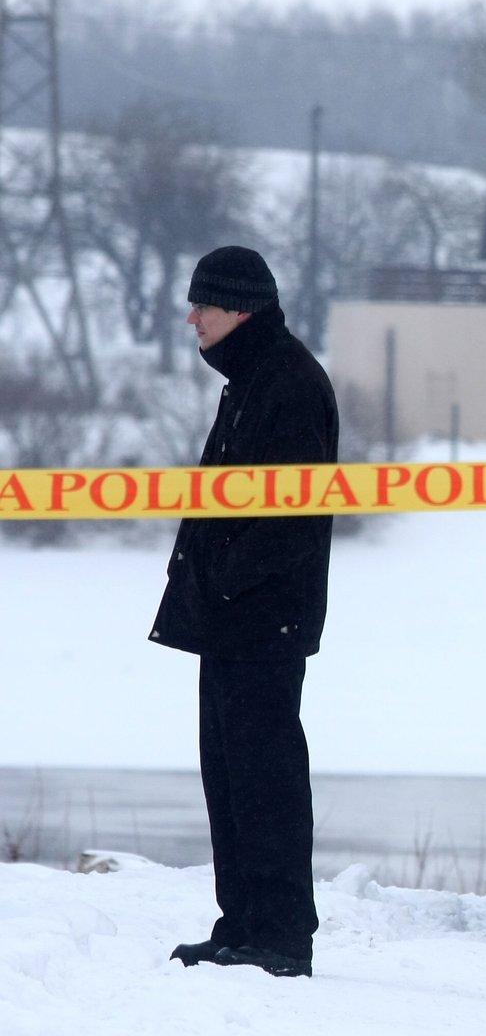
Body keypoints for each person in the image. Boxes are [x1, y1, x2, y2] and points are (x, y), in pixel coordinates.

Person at [154, 246, 339, 979]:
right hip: (231, 619)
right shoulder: (250, 380)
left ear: (241, 310)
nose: (191, 317)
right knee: (229, 775)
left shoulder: (288, 384)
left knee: (265, 777)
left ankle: (281, 934)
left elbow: (287, 519)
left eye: (203, 304)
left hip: (263, 620)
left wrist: (224, 581)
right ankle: (243, 924)